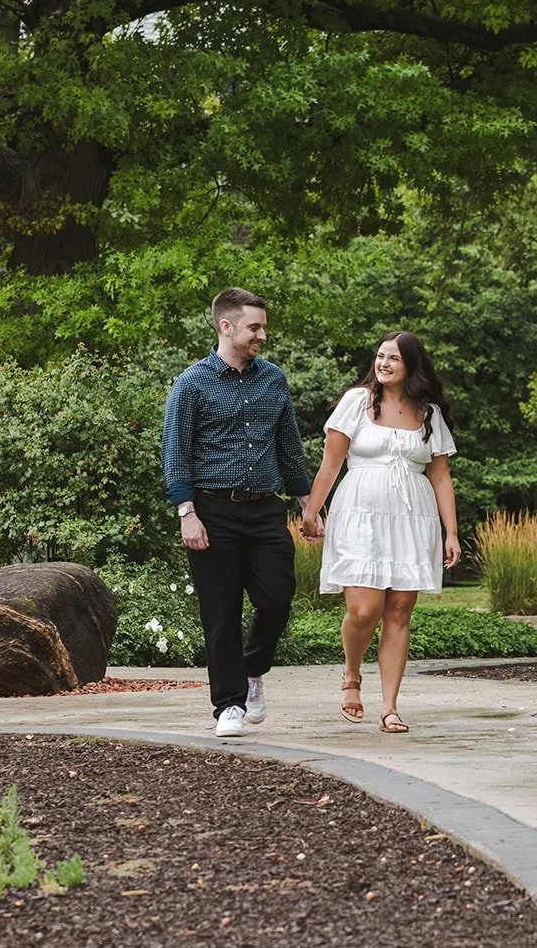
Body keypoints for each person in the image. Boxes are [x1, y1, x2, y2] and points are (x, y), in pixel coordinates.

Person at [163, 287, 312, 738]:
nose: (262, 335)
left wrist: (309, 505)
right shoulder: (191, 383)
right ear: (226, 327)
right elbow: (176, 452)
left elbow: (290, 448)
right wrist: (187, 512)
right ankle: (227, 705)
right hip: (212, 510)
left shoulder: (273, 380)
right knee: (220, 612)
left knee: (277, 598)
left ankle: (252, 670)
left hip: (266, 508)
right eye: (255, 327)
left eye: (262, 327)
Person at [300, 331, 460, 733]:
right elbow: (331, 464)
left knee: (400, 612)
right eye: (380, 356)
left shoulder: (429, 414)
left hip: (411, 520)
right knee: (364, 610)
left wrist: (451, 532)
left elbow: (440, 478)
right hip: (359, 515)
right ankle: (352, 675)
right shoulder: (356, 402)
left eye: (393, 358)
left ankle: (390, 706)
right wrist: (312, 511)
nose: (383, 363)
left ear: (411, 366)